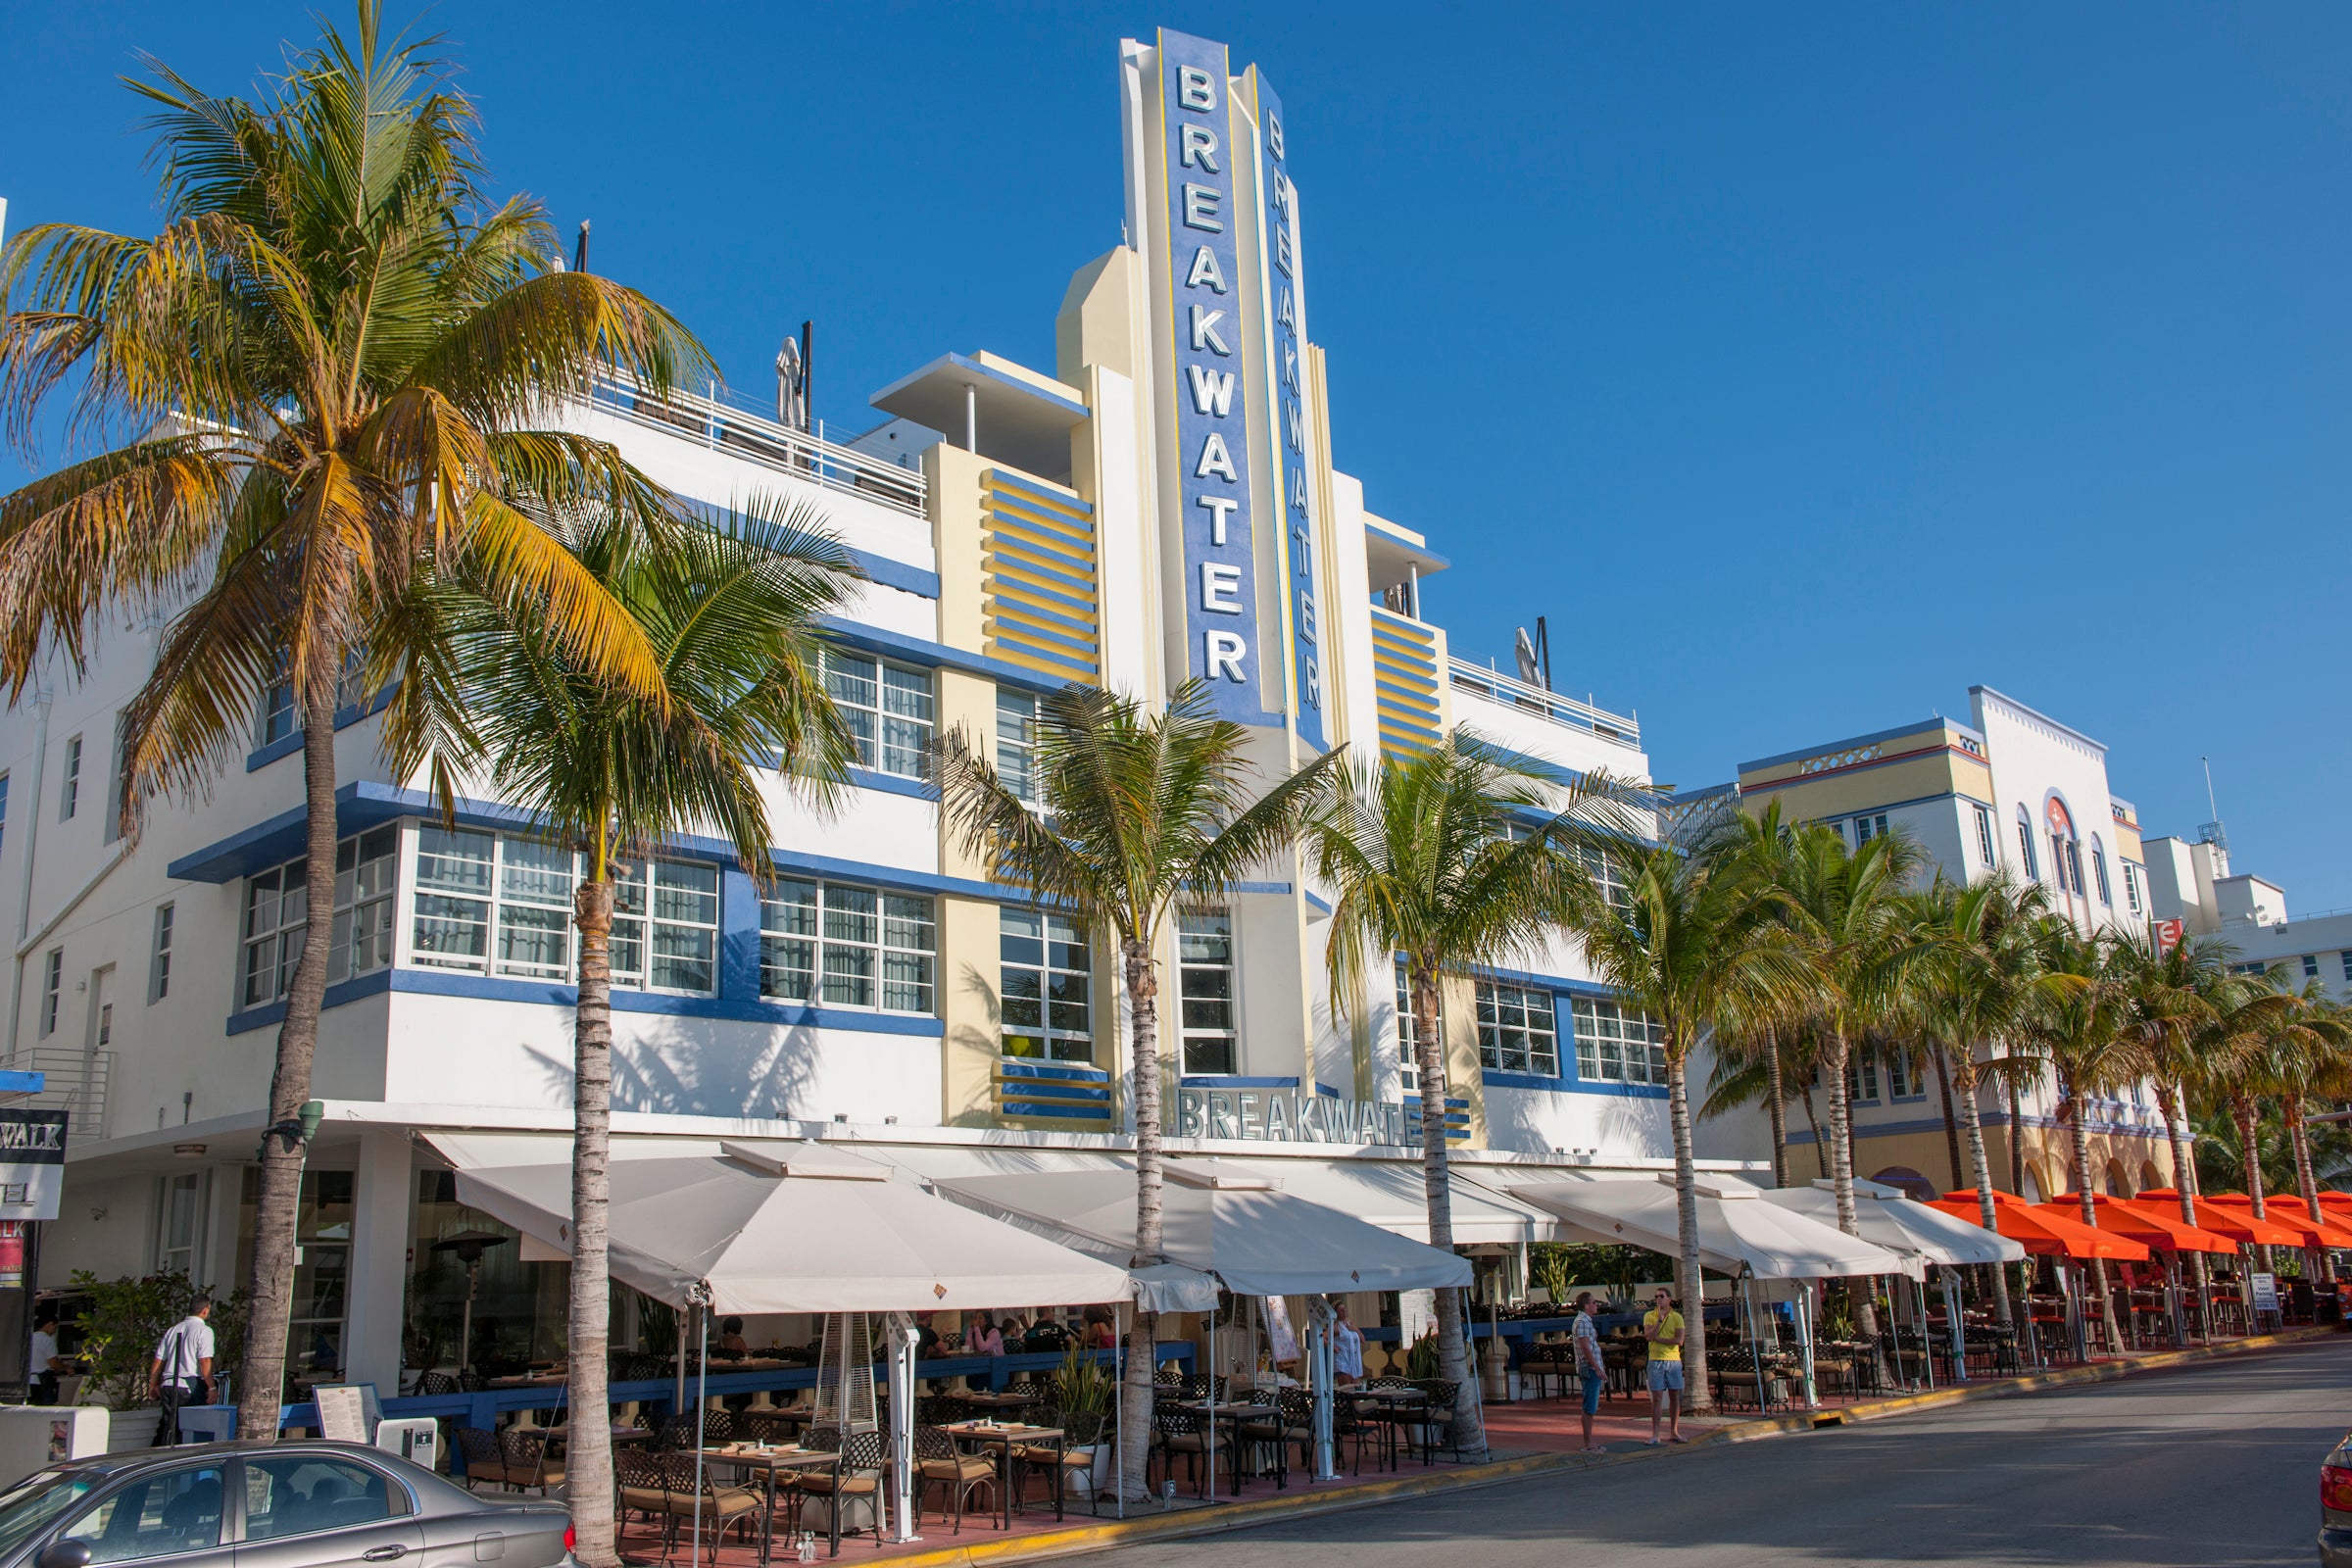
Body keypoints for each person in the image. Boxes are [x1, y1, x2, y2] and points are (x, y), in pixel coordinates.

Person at [149, 1296, 216, 1446]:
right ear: (205, 1310)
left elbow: (158, 1359)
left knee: (168, 1427)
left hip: (168, 1384)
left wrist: (153, 1384)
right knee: (190, 1428)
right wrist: (211, 1386)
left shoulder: (173, 1329)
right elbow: (204, 1360)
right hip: (189, 1384)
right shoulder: (204, 1330)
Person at [1642, 1288, 1687, 1445]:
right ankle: (1656, 1434)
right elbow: (1649, 1336)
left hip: (1673, 1360)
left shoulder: (1677, 1317)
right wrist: (1659, 1321)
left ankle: (1674, 1431)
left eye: (1662, 1296)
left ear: (1669, 1299)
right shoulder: (1649, 1316)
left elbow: (1679, 1340)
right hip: (1655, 1360)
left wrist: (1659, 1339)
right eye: (1656, 1297)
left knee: (1675, 1396)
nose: (1658, 1299)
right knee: (1657, 1397)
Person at [1570, 1292, 1607, 1451]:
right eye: (1593, 1302)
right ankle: (1588, 1442)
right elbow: (1585, 1347)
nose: (1595, 1305)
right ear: (1586, 1305)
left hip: (1592, 1367)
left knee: (1591, 1404)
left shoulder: (1585, 1321)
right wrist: (1597, 1368)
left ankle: (1589, 1441)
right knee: (1589, 1405)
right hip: (1589, 1368)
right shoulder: (1582, 1322)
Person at [27, 1313, 62, 1406]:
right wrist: (65, 1367)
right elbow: (53, 1363)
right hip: (41, 1381)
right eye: (55, 1327)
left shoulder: (28, 1338)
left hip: (27, 1381)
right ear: (50, 1324)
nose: (54, 1331)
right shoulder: (47, 1340)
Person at [1330, 1298, 1364, 1388]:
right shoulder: (1336, 1325)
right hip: (1343, 1360)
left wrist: (1355, 1329)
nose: (1344, 1312)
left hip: (1354, 1360)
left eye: (1345, 1309)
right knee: (1347, 1389)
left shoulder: (1350, 1322)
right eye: (1341, 1310)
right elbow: (1324, 1337)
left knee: (1356, 1389)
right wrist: (1334, 1347)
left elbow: (1362, 1339)